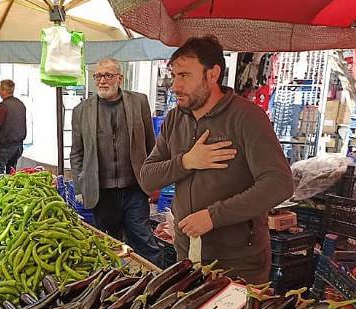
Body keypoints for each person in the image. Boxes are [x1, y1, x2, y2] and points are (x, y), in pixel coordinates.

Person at [139, 36, 293, 284]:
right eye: (174, 75)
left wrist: (213, 216)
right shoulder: (174, 119)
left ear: (213, 74)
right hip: (186, 253)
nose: (175, 86)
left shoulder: (247, 118)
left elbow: (279, 183)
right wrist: (187, 161)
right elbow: (148, 178)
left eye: (185, 76)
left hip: (238, 261)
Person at [70, 58, 162, 266]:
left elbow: (151, 145)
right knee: (108, 246)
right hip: (101, 194)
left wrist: (154, 182)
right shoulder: (81, 111)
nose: (102, 81)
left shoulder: (139, 102)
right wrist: (80, 187)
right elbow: (77, 153)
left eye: (108, 75)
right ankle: (118, 287)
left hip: (134, 190)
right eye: (98, 76)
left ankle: (156, 285)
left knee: (145, 243)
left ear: (120, 78)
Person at [0, 79, 26, 174]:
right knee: (11, 171)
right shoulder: (20, 104)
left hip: (5, 147)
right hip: (18, 146)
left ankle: (2, 188)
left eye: (0, 89)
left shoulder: (3, 106)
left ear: (4, 91)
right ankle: (11, 187)